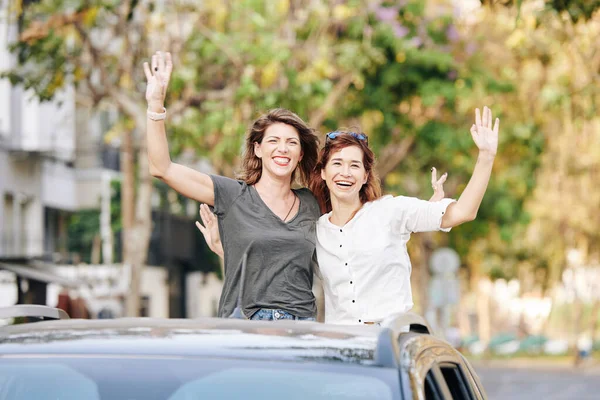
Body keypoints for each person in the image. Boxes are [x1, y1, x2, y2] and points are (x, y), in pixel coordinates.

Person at [198, 107, 498, 325]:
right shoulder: (314, 228)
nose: (345, 172)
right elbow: (278, 260)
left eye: (355, 165)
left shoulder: (391, 211)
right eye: (337, 164)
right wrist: (228, 248)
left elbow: (463, 212)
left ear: (366, 175)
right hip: (342, 349)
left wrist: (485, 158)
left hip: (392, 343)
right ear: (323, 173)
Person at [144, 51, 321, 321]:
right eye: (273, 141)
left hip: (301, 329)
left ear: (300, 154)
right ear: (258, 149)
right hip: (246, 325)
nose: (282, 149)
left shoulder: (312, 203)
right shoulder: (233, 195)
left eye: (292, 142)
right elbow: (162, 168)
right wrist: (156, 106)